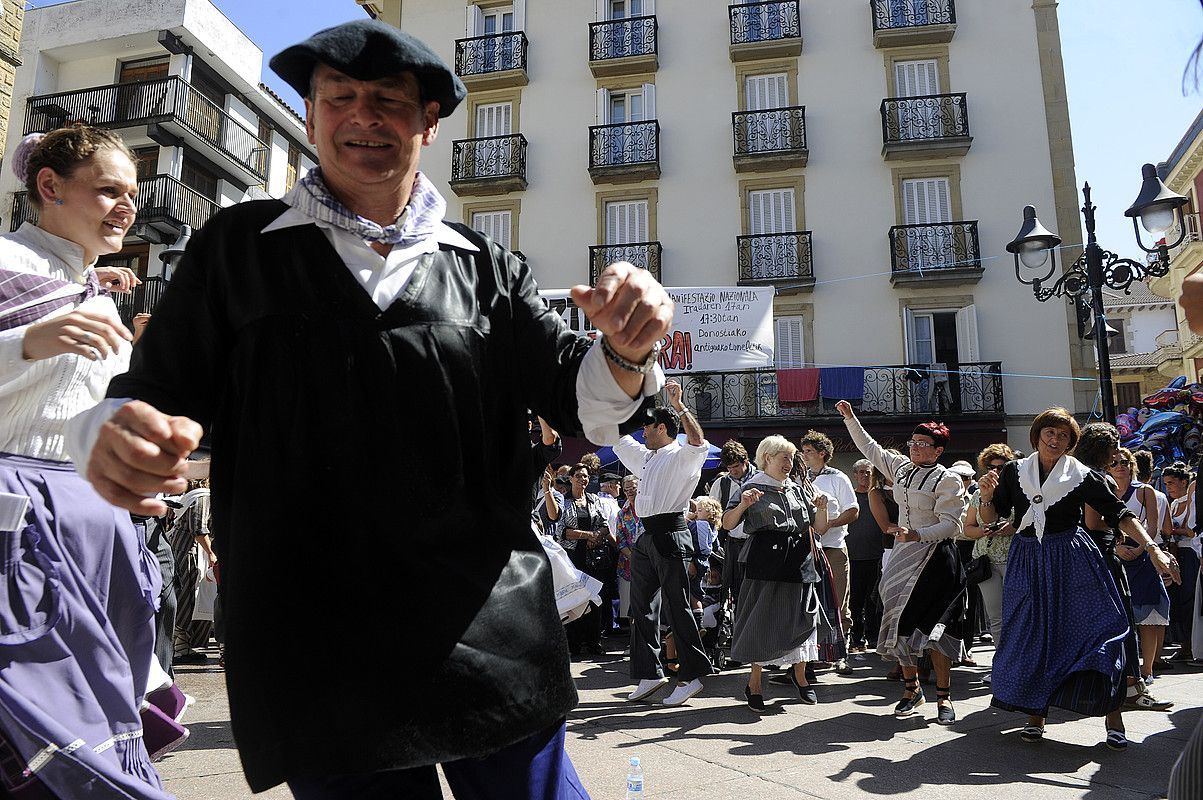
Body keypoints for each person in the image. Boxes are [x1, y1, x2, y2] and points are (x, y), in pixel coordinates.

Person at [68, 19, 677, 797]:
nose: (364, 117)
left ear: (428, 121)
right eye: (340, 98)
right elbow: (155, 388)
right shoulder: (237, 247)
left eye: (389, 100)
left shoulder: (487, 267)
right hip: (313, 632)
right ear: (314, 116)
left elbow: (578, 395)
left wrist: (626, 350)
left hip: (484, 619)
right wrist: (117, 430)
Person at [0, 125, 175, 798]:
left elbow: (90, 419)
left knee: (95, 719)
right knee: (49, 736)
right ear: (49, 187)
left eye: (131, 193)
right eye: (107, 190)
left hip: (97, 528)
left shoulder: (98, 296)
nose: (126, 208)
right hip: (18, 528)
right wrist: (26, 345)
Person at [978, 409, 1179, 751]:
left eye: (1063, 436)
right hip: (1027, 559)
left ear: (1072, 442)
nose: (1055, 440)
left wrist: (1153, 549)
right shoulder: (1014, 471)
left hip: (1071, 558)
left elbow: (1121, 514)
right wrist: (985, 496)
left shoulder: (1082, 474)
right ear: (1037, 435)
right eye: (1049, 433)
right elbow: (990, 517)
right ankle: (1035, 715)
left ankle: (1113, 717)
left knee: (1098, 631)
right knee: (1034, 637)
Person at [837, 400, 967, 725]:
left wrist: (916, 534)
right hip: (903, 555)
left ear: (938, 451)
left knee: (937, 630)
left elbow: (951, 524)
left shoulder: (947, 480)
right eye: (913, 442)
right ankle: (911, 689)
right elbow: (870, 447)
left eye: (923, 444)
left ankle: (944, 697)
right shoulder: (901, 468)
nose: (915, 447)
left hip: (936, 558)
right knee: (898, 622)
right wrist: (851, 418)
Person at [617, 381, 713, 707]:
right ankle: (650, 673)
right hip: (646, 537)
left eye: (647, 426)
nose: (642, 431)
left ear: (662, 427)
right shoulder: (648, 456)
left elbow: (698, 440)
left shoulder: (683, 456)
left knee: (677, 607)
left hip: (671, 533)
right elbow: (617, 437)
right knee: (640, 608)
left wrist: (679, 404)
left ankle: (690, 677)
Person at [724, 435, 831, 710]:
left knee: (802, 618)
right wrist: (744, 505)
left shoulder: (796, 488)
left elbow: (818, 528)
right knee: (762, 619)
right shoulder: (750, 487)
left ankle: (800, 677)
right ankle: (755, 683)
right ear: (767, 458)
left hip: (798, 558)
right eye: (784, 457)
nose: (789, 462)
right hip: (765, 560)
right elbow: (727, 523)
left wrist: (822, 508)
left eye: (791, 457)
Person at [1108, 447, 1173, 686]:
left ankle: (1147, 670)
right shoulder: (1104, 490)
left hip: (1143, 555)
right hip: (1116, 555)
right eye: (1114, 463)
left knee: (1149, 618)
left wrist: (1140, 548)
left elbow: (1153, 526)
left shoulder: (1144, 491)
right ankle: (1126, 671)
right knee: (1122, 616)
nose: (1120, 466)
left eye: (1124, 462)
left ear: (1132, 465)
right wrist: (1117, 549)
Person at [799, 429, 858, 676]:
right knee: (812, 603)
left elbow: (853, 510)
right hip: (806, 550)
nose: (804, 456)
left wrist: (828, 524)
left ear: (822, 454)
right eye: (803, 452)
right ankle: (816, 655)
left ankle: (841, 654)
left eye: (809, 452)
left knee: (838, 601)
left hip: (832, 547)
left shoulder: (838, 478)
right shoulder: (799, 479)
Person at [960, 443, 1017, 672]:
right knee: (996, 618)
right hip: (987, 561)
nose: (996, 472)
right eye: (991, 467)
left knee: (1018, 615)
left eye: (1002, 467)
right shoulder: (978, 495)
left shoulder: (1020, 490)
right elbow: (968, 529)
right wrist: (982, 530)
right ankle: (1003, 666)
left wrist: (1012, 527)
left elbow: (1029, 522)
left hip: (1016, 559)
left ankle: (1018, 664)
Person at [559, 462, 616, 657]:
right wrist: (588, 535)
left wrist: (597, 536)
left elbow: (605, 525)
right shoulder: (563, 502)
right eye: (578, 476)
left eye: (585, 476)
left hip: (595, 557)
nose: (582, 479)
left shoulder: (594, 500)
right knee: (575, 599)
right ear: (571, 478)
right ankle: (573, 643)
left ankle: (594, 641)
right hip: (573, 557)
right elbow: (562, 532)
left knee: (595, 598)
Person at [709, 440, 756, 613]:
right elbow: (713, 513)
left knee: (755, 588)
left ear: (746, 461)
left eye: (736, 466)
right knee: (735, 589)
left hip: (755, 542)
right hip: (733, 543)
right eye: (729, 468)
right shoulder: (721, 484)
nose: (733, 471)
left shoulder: (760, 479)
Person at [846, 458, 887, 654]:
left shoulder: (879, 497)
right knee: (854, 600)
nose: (865, 475)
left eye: (868, 472)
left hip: (876, 555)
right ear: (854, 475)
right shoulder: (851, 499)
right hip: (853, 556)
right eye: (861, 472)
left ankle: (873, 637)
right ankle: (856, 638)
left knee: (874, 599)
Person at [1164, 462, 1199, 662]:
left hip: (1190, 555)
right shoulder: (1174, 504)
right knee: (1178, 601)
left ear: (1184, 482)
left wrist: (1172, 531)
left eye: (1171, 483)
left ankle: (1189, 646)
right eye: (1166, 484)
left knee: (1189, 601)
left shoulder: (1190, 500)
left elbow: (1191, 531)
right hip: (1177, 555)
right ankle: (1184, 644)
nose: (1168, 487)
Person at [615, 475, 642, 627]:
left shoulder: (648, 509)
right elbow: (620, 540)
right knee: (629, 606)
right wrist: (632, 557)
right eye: (627, 490)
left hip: (649, 564)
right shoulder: (622, 513)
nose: (630, 492)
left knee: (647, 605)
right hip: (628, 566)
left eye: (633, 488)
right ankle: (632, 643)